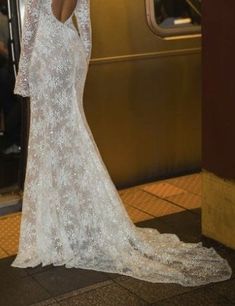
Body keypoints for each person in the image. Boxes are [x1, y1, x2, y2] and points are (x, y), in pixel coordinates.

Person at [11, 0, 232, 287]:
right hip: (70, 48)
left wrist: (23, 76)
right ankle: (77, 224)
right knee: (74, 138)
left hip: (47, 53)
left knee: (47, 143)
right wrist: (81, 71)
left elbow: (29, 28)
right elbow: (85, 28)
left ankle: (53, 230)